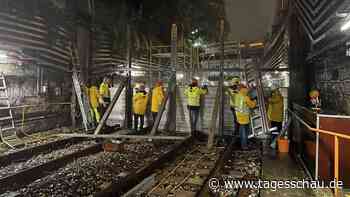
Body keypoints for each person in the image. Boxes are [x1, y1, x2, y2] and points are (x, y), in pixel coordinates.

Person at [235, 85, 256, 150]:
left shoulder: (237, 95)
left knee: (241, 130)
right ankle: (244, 146)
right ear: (244, 89)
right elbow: (252, 105)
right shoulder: (245, 97)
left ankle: (242, 144)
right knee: (244, 132)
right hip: (244, 116)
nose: (248, 90)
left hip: (238, 115)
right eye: (246, 88)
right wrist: (255, 100)